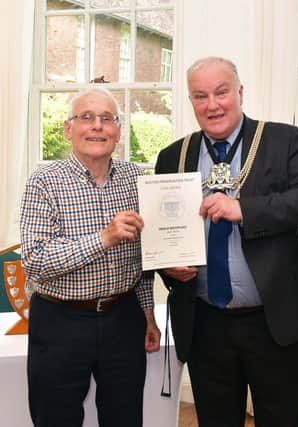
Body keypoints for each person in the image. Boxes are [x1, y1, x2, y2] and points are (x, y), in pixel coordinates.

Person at [154, 56, 298, 426]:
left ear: (240, 92)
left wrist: (244, 209)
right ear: (191, 101)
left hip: (271, 319)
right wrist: (169, 269)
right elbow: (160, 232)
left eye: (221, 92)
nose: (212, 105)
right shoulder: (172, 157)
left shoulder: (281, 139)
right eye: (200, 96)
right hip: (203, 321)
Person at [20, 87, 161, 427]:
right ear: (69, 129)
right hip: (59, 321)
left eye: (107, 119)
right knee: (56, 418)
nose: (97, 126)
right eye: (86, 117)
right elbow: (36, 259)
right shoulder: (44, 181)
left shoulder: (137, 179)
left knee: (125, 417)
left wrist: (148, 314)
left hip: (123, 319)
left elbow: (139, 260)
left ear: (118, 131)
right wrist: (103, 238)